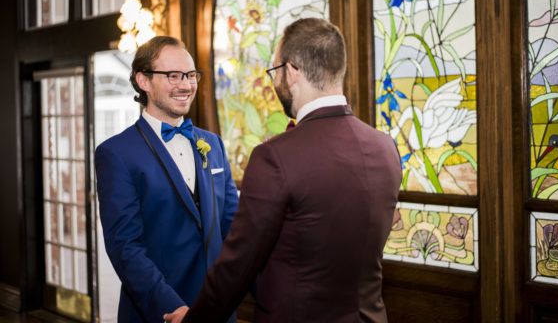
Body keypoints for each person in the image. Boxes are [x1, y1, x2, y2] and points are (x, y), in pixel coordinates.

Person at [165, 18, 402, 323]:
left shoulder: (274, 157)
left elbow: (238, 266)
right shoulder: (386, 148)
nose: (275, 82)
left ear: (291, 72)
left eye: (275, 71)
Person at [95, 36, 239, 323]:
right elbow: (125, 248)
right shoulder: (116, 153)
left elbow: (235, 226)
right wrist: (173, 308)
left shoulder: (213, 143)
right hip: (158, 312)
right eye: (173, 75)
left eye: (190, 75)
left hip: (219, 310)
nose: (186, 85)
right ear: (143, 81)